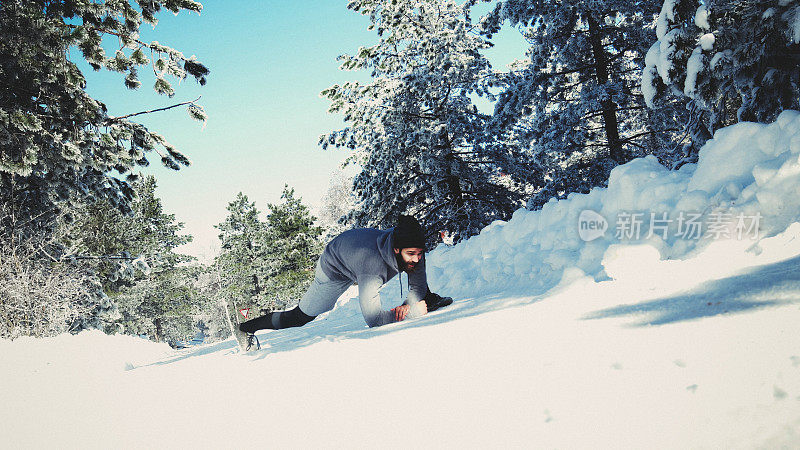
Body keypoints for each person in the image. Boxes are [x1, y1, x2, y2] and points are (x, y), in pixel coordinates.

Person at [233, 215, 452, 351]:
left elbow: (418, 286)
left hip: (353, 254)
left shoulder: (412, 252)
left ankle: (428, 300)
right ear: (396, 249)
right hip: (334, 268)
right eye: (411, 254)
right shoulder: (372, 266)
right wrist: (411, 312)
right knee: (300, 317)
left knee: (420, 289)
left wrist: (412, 302)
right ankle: (245, 327)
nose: (417, 259)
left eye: (419, 253)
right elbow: (374, 320)